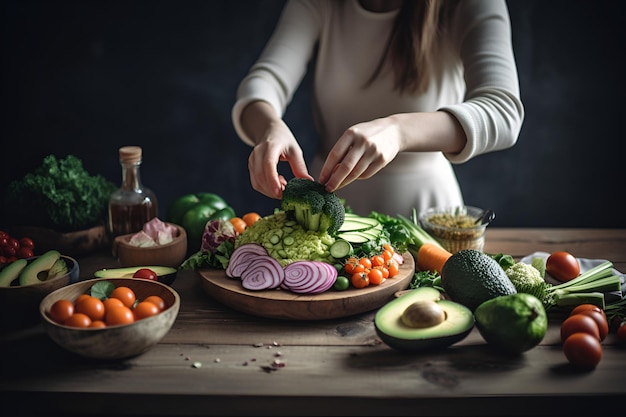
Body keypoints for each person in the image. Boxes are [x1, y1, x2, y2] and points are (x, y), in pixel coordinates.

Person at [231, 0, 524, 218]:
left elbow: (503, 112)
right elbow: (264, 82)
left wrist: (398, 131)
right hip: (330, 209)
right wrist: (269, 126)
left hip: (429, 213)